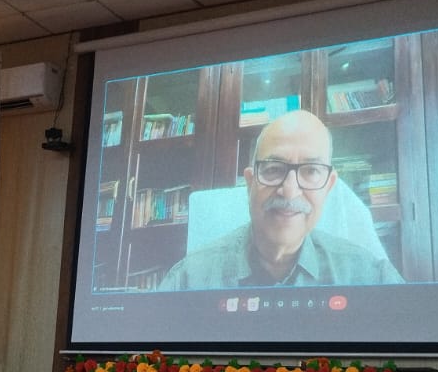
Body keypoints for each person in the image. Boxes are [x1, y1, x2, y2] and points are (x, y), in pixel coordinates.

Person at [158, 111, 403, 290]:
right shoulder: (187, 280)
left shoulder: (372, 277)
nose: (289, 191)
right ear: (250, 183)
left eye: (311, 171)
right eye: (273, 169)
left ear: (328, 187)